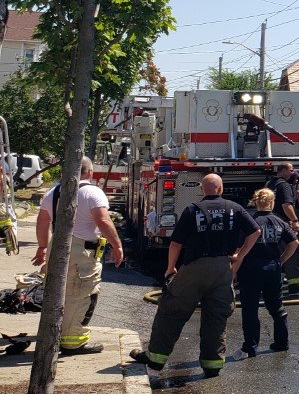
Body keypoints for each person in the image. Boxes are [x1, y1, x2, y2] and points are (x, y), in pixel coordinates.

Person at [131, 173, 260, 378]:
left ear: (202, 190)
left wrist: (171, 268)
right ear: (220, 188)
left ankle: (155, 359)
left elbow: (175, 243)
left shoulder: (193, 210)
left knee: (171, 310)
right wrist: (239, 255)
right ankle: (212, 364)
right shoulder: (234, 208)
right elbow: (255, 231)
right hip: (222, 267)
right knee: (216, 316)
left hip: (195, 267)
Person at [32, 156, 124, 355]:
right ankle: (73, 342)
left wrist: (42, 247)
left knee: (59, 292)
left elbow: (42, 222)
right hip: (81, 252)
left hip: (57, 245)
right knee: (82, 294)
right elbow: (103, 221)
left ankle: (55, 334)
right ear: (90, 172)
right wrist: (117, 246)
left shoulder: (53, 192)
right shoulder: (93, 192)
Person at [238, 187, 298, 356]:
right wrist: (281, 260)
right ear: (272, 202)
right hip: (273, 268)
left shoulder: (250, 221)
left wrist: (233, 271)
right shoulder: (279, 222)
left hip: (251, 269)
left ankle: (250, 347)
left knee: (250, 308)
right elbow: (294, 243)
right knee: (277, 307)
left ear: (256, 202)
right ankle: (281, 343)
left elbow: (240, 247)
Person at [266, 163, 299, 294]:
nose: (293, 173)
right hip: (283, 222)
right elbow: (286, 205)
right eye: (291, 170)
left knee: (274, 253)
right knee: (293, 252)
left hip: (271, 221)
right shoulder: (284, 185)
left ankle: (275, 282)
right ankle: (295, 285)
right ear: (283, 171)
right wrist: (295, 220)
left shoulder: (270, 184)